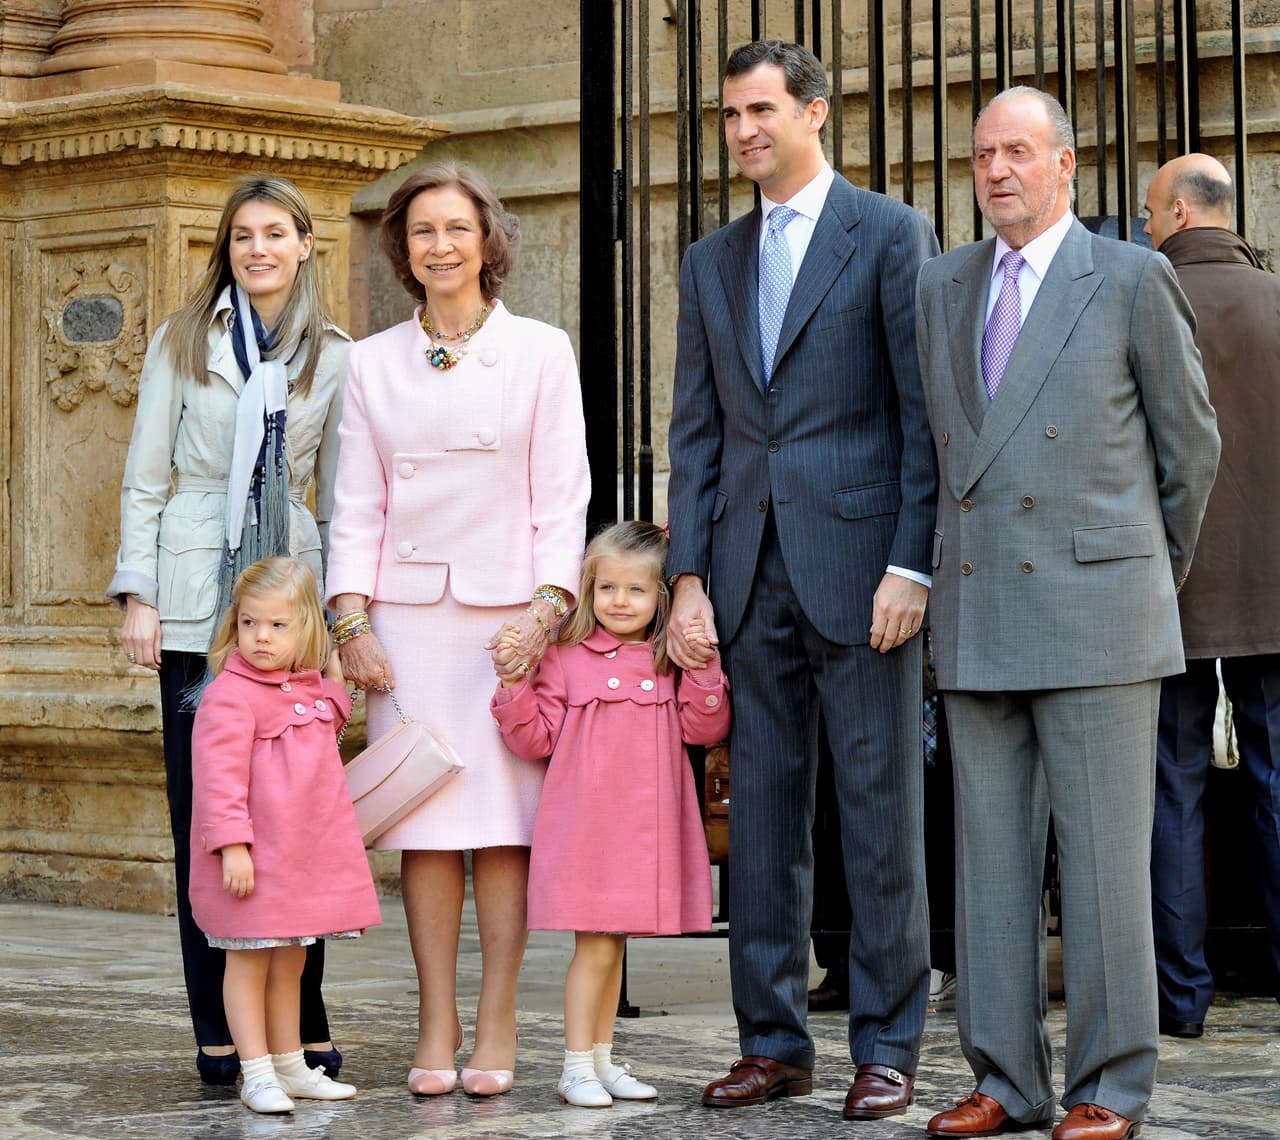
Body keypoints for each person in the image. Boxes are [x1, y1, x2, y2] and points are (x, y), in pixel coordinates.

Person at [915, 88, 1220, 1140]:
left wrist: (1136, 575)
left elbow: (1190, 451)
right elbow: (940, 454)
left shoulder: (1131, 278)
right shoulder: (939, 284)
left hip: (1098, 614)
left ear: (1066, 166)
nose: (996, 170)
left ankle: (1108, 1084)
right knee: (987, 865)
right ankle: (1003, 1080)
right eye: (982, 154)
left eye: (1017, 152)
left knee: (1100, 869)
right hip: (976, 609)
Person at [665, 39, 940, 1121]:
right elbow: (692, 435)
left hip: (865, 575)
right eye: (731, 114)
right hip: (746, 578)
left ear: (814, 113)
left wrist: (910, 563)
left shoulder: (886, 234)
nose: (742, 131)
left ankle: (886, 1044)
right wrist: (688, 575)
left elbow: (922, 420)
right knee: (767, 824)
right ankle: (772, 1041)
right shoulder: (707, 260)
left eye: (761, 110)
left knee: (878, 822)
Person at [324, 161, 590, 1099]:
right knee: (428, 829)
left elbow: (562, 498)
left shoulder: (542, 351)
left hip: (507, 629)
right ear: (403, 249)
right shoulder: (368, 361)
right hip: (405, 625)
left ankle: (500, 1015)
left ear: (489, 243)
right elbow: (354, 504)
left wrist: (547, 613)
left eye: (456, 229)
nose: (440, 246)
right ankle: (436, 1015)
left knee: (502, 833)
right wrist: (349, 617)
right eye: (422, 232)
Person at [107, 176, 352, 1085]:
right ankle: (220, 1030)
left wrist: (342, 610)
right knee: (205, 815)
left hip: (289, 590)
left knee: (302, 820)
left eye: (276, 233)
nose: (258, 249)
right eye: (243, 234)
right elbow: (145, 475)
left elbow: (343, 489)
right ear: (227, 247)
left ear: (304, 244)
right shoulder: (183, 340)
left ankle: (300, 1032)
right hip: (192, 591)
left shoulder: (335, 354)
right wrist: (139, 595)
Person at [489, 521, 730, 1107]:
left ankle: (600, 1059)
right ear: (589, 590)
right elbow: (534, 741)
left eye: (636, 590)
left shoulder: (668, 660)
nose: (619, 602)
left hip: (643, 832)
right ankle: (576, 1065)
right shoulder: (566, 659)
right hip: (589, 830)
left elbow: (704, 727)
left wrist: (702, 667)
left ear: (662, 599)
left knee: (613, 946)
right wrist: (514, 685)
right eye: (607, 588)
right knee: (594, 947)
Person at [1142, 153, 1280, 1037]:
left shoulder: (1144, 299)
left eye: (1154, 210)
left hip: (1170, 580)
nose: (1146, 225)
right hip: (1275, 584)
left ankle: (1179, 997)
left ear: (1185, 214)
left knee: (1172, 785)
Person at [190, 557, 381, 1113]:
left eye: (278, 626)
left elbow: (332, 714)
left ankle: (290, 1062)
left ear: (306, 631)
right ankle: (256, 1071)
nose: (262, 638)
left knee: (293, 959)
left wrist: (336, 674)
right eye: (250, 623)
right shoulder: (230, 695)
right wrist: (232, 847)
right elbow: (217, 782)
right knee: (248, 963)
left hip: (301, 861)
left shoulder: (310, 691)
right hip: (254, 861)